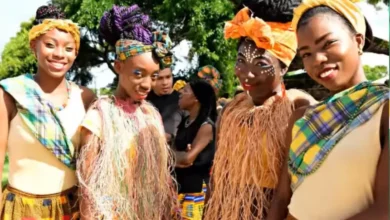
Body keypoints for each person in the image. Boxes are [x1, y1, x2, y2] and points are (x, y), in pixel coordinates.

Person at [267, 0, 389, 219]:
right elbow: (282, 197)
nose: (318, 60)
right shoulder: (301, 119)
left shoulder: (384, 110)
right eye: (306, 54)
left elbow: (385, 211)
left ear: (358, 41)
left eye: (328, 44)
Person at [203, 1, 317, 219]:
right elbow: (217, 176)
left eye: (261, 64)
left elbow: (290, 189)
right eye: (241, 62)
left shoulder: (297, 108)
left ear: (283, 67)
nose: (247, 74)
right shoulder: (231, 110)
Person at [77, 5, 177, 220]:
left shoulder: (151, 116)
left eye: (153, 76)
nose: (146, 84)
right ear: (118, 66)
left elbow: (162, 176)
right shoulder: (99, 116)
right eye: (138, 73)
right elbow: (87, 184)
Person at [0, 5, 95, 219]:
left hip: (72, 209)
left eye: (68, 49)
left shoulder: (86, 97)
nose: (59, 54)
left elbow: (93, 162)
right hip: (22, 211)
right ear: (34, 46)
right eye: (50, 45)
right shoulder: (11, 94)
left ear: (75, 53)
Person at [174, 79, 217, 220]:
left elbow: (187, 159)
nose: (180, 94)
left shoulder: (206, 126)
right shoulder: (185, 123)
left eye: (185, 91)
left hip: (194, 190)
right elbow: (173, 152)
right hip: (178, 187)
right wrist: (176, 156)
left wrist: (173, 156)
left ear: (196, 98)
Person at [147, 66, 184, 144]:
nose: (165, 83)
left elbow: (192, 131)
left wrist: (171, 137)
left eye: (168, 77)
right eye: (160, 78)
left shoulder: (183, 100)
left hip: (174, 152)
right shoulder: (143, 100)